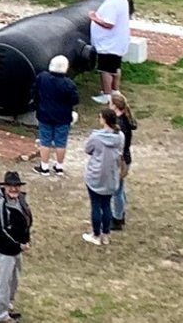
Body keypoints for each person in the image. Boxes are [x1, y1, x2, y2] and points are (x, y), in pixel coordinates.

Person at [0, 170, 32, 323]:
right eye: (10, 186)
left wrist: (26, 241)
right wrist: (19, 245)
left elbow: (27, 221)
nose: (14, 189)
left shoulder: (20, 200)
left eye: (16, 186)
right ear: (4, 187)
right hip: (4, 250)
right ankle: (0, 315)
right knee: (4, 282)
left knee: (14, 280)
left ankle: (7, 306)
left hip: (17, 249)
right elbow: (1, 231)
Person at [31, 54, 79, 176]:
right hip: (63, 117)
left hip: (44, 114)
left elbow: (34, 91)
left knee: (45, 141)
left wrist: (36, 104)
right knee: (61, 142)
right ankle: (59, 167)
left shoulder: (42, 77)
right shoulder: (69, 83)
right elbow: (75, 100)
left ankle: (44, 167)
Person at [82, 107, 123, 246]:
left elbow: (87, 150)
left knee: (96, 205)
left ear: (104, 119)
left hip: (96, 174)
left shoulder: (96, 136)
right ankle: (106, 235)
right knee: (106, 206)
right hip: (111, 175)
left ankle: (96, 234)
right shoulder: (120, 136)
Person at [88, 0, 131, 104]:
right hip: (117, 42)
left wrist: (93, 18)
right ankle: (115, 90)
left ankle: (107, 94)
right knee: (115, 67)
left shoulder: (113, 3)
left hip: (109, 43)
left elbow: (109, 23)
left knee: (105, 69)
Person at [109, 91, 136, 230]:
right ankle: (120, 214)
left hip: (120, 161)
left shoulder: (118, 125)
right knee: (120, 188)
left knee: (117, 191)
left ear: (114, 106)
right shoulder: (126, 118)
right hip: (126, 158)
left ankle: (117, 219)